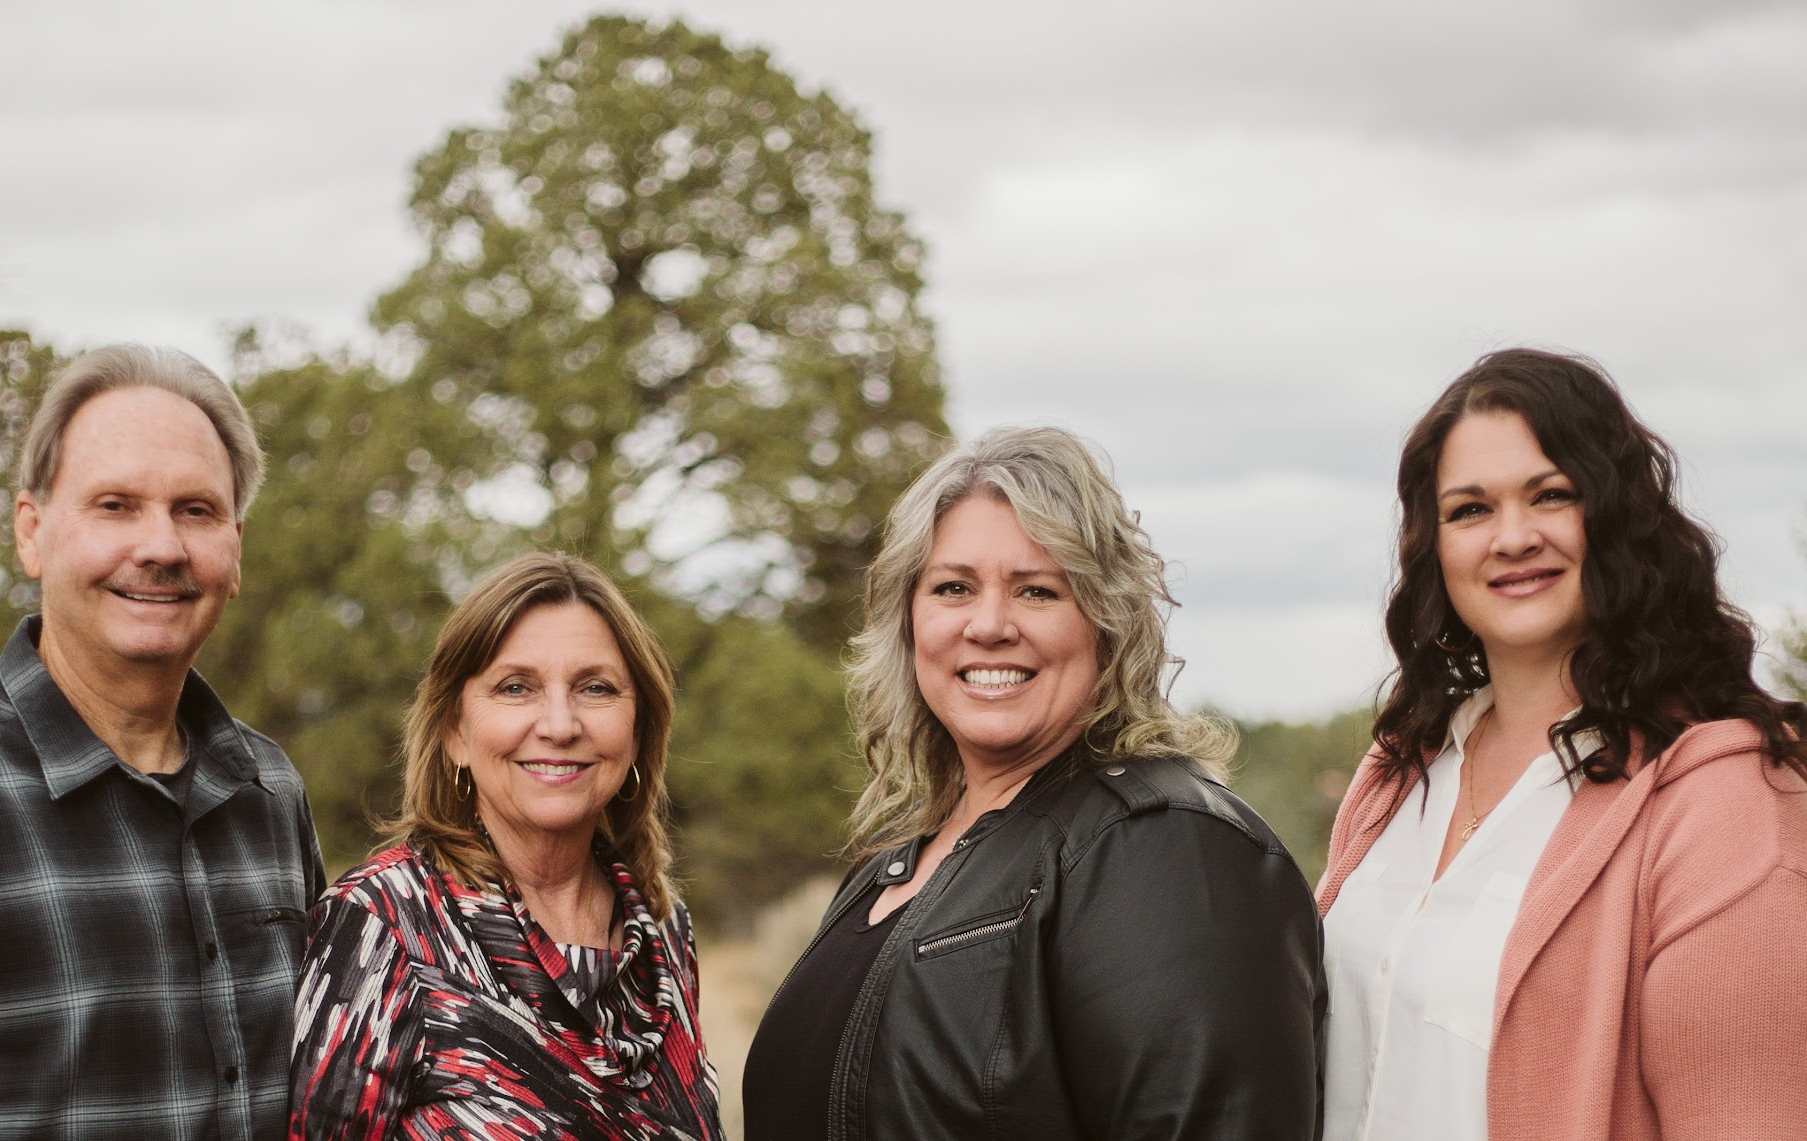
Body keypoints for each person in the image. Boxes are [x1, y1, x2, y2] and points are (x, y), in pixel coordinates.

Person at [743, 426, 1325, 1140]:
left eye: (1037, 590)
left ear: (1106, 622)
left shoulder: (1164, 846)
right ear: (908, 621)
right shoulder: (888, 867)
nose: (989, 625)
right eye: (953, 587)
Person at [0, 345, 324, 1139]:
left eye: (196, 509)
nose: (161, 546)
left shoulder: (269, 790)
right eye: (115, 505)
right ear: (32, 533)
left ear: (235, 548)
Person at [1318, 348, 1807, 1141]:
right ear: (1434, 545)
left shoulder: (1725, 802)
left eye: (1551, 495)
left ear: (1616, 518)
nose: (1512, 537)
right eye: (1470, 510)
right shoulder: (1398, 772)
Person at [289, 553, 721, 1140]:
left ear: (639, 729)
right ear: (455, 731)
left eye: (595, 688)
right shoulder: (381, 925)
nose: (560, 725)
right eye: (516, 688)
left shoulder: (661, 932)